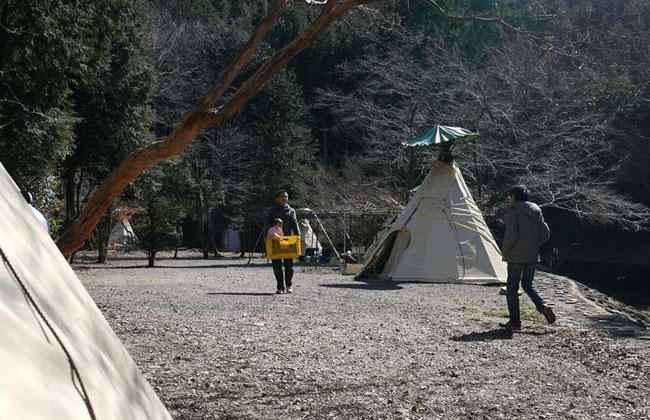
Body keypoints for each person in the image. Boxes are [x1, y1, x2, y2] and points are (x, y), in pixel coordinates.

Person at [500, 185, 555, 330]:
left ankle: (515, 321)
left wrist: (505, 251)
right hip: (532, 256)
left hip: (516, 256)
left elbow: (512, 235)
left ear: (514, 196)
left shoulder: (514, 211)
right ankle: (542, 305)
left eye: (510, 196)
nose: (509, 199)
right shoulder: (536, 210)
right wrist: (534, 245)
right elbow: (545, 233)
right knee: (528, 284)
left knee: (512, 288)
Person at [265, 191, 301, 294]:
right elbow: (267, 225)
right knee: (276, 265)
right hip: (275, 241)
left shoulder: (291, 211)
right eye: (282, 197)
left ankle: (289, 285)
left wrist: (298, 236)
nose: (284, 198)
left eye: (286, 196)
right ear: (277, 198)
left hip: (288, 241)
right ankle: (280, 287)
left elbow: (295, 224)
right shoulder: (271, 211)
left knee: (289, 265)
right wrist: (265, 237)